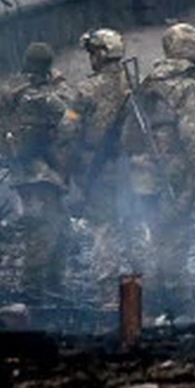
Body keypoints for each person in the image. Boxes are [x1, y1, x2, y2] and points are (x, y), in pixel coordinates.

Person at [119, 22, 195, 311]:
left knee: (153, 233)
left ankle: (148, 300)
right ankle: (177, 301)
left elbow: (127, 136)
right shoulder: (188, 87)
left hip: (143, 175)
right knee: (175, 236)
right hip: (175, 174)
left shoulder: (147, 82)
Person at [0, 41, 72, 301]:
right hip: (35, 171)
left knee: (59, 224)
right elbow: (70, 111)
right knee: (42, 227)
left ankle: (51, 283)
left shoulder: (15, 89)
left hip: (34, 169)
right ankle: (33, 288)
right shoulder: (33, 96)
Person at [64, 28, 133, 285]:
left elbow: (67, 128)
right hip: (130, 168)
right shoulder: (133, 83)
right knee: (135, 221)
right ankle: (149, 279)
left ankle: (107, 287)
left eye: (92, 53)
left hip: (98, 168)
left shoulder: (85, 90)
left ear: (100, 56)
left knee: (103, 225)